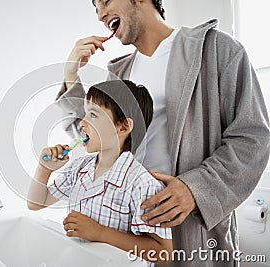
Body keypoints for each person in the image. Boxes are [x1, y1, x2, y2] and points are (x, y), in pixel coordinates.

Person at [55, 0, 270, 266]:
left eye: (106, 1)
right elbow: (94, 139)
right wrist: (70, 74)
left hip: (193, 232)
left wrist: (195, 189)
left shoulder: (218, 50)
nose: (100, 15)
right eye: (96, 8)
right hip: (131, 237)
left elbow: (252, 138)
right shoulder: (117, 75)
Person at [28, 80, 173, 265]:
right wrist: (44, 169)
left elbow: (163, 253)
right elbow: (35, 203)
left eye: (93, 115)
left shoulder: (142, 184)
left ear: (123, 127)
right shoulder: (80, 168)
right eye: (85, 113)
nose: (82, 123)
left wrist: (101, 233)